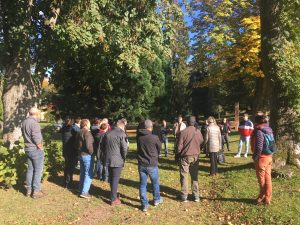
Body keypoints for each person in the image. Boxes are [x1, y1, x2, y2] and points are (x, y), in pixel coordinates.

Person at [175, 116, 203, 202]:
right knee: (194, 176)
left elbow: (179, 147)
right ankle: (196, 196)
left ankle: (184, 196)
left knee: (184, 176)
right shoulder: (198, 132)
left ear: (187, 122)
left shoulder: (183, 132)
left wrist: (177, 153)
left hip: (185, 157)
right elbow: (202, 143)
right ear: (194, 122)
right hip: (195, 156)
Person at [137, 119, 163, 212]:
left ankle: (144, 204)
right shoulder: (154, 137)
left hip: (142, 164)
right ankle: (156, 199)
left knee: (143, 185)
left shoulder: (139, 138)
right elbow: (159, 148)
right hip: (152, 164)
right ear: (150, 127)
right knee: (155, 183)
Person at [21, 107, 45, 198]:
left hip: (28, 148)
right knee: (38, 171)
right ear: (36, 114)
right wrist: (41, 148)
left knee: (30, 170)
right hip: (35, 149)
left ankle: (28, 190)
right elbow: (37, 138)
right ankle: (36, 192)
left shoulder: (24, 122)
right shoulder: (34, 123)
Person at [103, 119, 128, 206]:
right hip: (117, 159)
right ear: (122, 126)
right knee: (115, 178)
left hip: (108, 158)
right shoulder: (122, 134)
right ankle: (113, 199)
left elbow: (103, 146)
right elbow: (124, 148)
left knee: (111, 177)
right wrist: (124, 158)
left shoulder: (107, 133)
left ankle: (112, 194)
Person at [251, 113, 274, 205]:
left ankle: (262, 197)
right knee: (268, 178)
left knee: (262, 180)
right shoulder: (268, 129)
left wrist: (255, 157)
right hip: (269, 157)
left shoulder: (259, 131)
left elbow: (259, 147)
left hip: (261, 158)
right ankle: (268, 198)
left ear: (256, 122)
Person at [76, 119, 94, 199]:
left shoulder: (79, 132)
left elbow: (75, 144)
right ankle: (84, 192)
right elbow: (88, 145)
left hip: (81, 154)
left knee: (83, 172)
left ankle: (81, 189)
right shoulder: (87, 133)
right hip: (87, 155)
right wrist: (92, 152)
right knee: (88, 173)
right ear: (86, 124)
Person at [61, 117, 77, 189]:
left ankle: (66, 182)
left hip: (66, 150)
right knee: (71, 167)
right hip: (72, 151)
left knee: (67, 167)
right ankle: (69, 183)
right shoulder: (73, 129)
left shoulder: (64, 128)